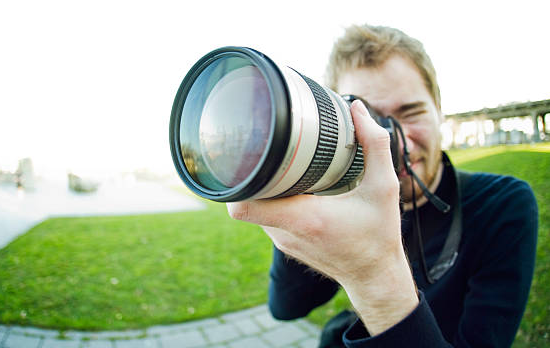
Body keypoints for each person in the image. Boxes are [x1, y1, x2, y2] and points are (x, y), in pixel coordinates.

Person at [227, 25, 538, 347]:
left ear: (439, 111)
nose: (389, 139)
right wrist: (307, 187)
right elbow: (288, 308)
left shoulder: (501, 204)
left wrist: (372, 276)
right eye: (369, 118)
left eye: (411, 112)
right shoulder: (343, 208)